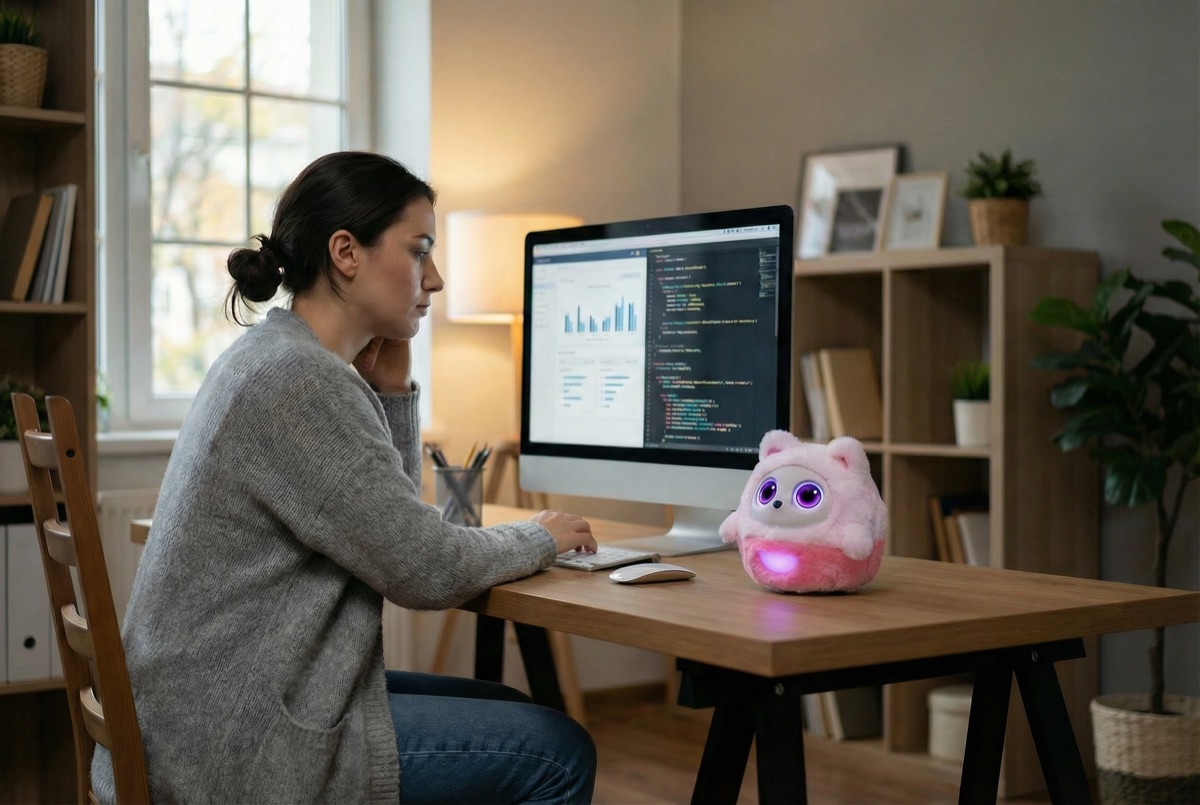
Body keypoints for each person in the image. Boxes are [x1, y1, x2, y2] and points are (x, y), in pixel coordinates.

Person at [93, 151, 599, 804]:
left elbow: (388, 520)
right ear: (345, 252)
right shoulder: (299, 380)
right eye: (420, 250)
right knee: (557, 752)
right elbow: (425, 565)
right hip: (231, 748)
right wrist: (541, 534)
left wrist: (389, 390)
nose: (436, 278)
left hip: (212, 715)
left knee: (507, 705)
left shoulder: (278, 357)